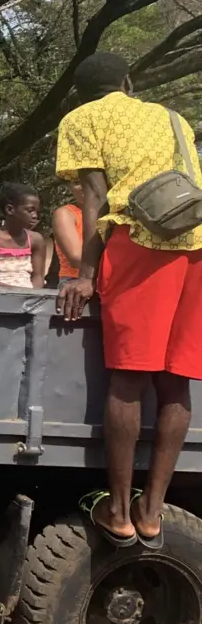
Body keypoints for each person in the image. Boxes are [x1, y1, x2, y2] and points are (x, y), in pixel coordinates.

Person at [57, 52, 202, 549]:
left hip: (139, 244)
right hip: (197, 244)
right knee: (175, 381)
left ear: (83, 94)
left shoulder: (82, 118)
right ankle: (152, 511)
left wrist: (85, 274)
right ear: (128, 81)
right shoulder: (175, 118)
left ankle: (119, 512)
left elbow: (94, 200)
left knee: (129, 376)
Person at [0, 183, 46, 289]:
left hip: (27, 300)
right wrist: (14, 292)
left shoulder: (36, 240)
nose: (35, 216)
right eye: (30, 210)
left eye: (37, 211)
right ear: (10, 209)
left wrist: (31, 295)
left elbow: (38, 277)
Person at [52, 181, 85, 286]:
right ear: (70, 187)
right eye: (76, 182)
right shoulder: (66, 214)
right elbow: (76, 258)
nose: (82, 186)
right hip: (74, 281)